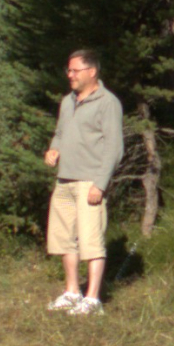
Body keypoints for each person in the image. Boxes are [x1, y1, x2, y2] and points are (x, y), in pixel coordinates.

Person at [43, 49, 124, 316]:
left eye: (75, 70)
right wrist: (54, 150)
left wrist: (99, 184)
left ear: (92, 72)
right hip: (64, 180)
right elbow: (61, 133)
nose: (70, 75)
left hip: (89, 181)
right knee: (64, 239)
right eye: (68, 70)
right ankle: (71, 292)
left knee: (91, 241)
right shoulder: (68, 101)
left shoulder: (107, 102)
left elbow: (114, 147)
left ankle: (92, 300)